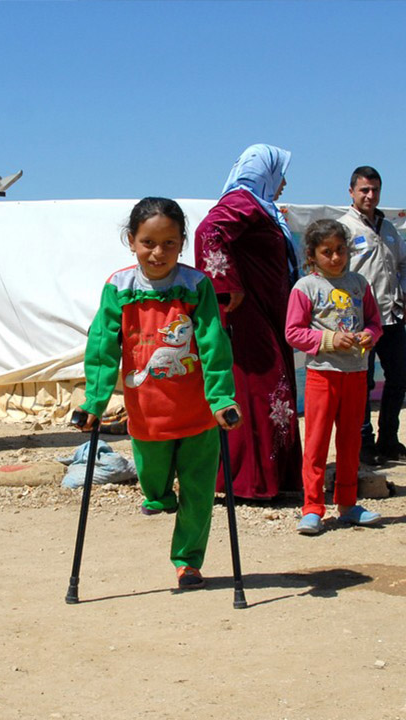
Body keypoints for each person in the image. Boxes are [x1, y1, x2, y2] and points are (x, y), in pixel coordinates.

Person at [78, 197, 241, 590]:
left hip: (200, 413)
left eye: (170, 243)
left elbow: (213, 343)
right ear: (131, 240)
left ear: (182, 243)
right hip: (147, 411)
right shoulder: (119, 287)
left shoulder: (196, 285)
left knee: (199, 493)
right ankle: (159, 496)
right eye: (148, 242)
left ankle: (188, 562)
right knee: (153, 484)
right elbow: (102, 348)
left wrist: (221, 399)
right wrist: (94, 403)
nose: (158, 252)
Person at [194, 144, 302, 499]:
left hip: (268, 314)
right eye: (280, 172)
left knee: (271, 392)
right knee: (259, 391)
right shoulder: (243, 201)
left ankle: (273, 477)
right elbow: (208, 232)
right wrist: (226, 289)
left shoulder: (262, 208)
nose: (284, 182)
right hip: (250, 315)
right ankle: (248, 481)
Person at [284, 219, 385, 534]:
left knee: (350, 440)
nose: (336, 257)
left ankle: (347, 503)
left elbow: (374, 322)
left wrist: (370, 335)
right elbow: (293, 332)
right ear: (312, 255)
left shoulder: (359, 284)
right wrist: (328, 341)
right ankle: (312, 507)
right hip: (322, 376)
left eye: (340, 250)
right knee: (316, 442)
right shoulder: (306, 287)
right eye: (327, 252)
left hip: (355, 374)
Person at [340, 166, 406, 465]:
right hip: (360, 322)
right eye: (364, 190)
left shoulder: (389, 229)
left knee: (398, 379)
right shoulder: (343, 228)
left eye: (375, 190)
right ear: (352, 192)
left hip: (392, 317)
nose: (370, 196)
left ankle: (389, 440)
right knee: (363, 383)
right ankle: (364, 444)